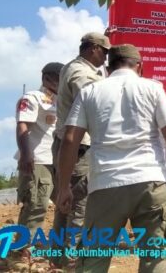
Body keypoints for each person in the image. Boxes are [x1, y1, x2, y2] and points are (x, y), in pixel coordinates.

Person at [57, 44, 166, 272]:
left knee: (94, 258)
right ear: (140, 67)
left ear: (108, 66)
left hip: (105, 185)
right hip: (150, 183)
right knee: (154, 258)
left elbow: (69, 140)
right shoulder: (153, 89)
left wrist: (64, 187)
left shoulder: (90, 92)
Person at [51, 32, 110, 266]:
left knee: (65, 204)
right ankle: (73, 262)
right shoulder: (81, 73)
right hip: (77, 147)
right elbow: (95, 101)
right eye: (104, 52)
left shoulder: (74, 67)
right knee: (78, 206)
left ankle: (58, 259)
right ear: (93, 48)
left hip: (71, 145)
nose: (106, 58)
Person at [15, 62, 63, 236]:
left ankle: (62, 248)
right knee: (36, 204)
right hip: (38, 160)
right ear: (47, 78)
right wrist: (26, 155)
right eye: (59, 78)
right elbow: (22, 126)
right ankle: (21, 252)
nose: (62, 82)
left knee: (66, 204)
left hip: (58, 160)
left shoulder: (63, 100)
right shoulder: (32, 97)